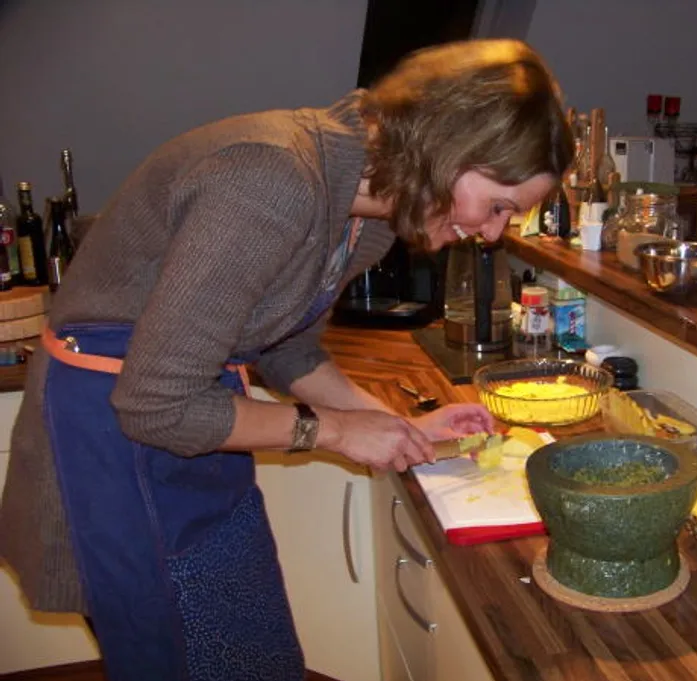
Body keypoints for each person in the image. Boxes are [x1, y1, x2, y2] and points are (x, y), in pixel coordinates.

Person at [0, 38, 573, 680]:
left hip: (193, 427)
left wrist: (392, 425)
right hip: (114, 446)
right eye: (498, 206)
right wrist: (332, 431)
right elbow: (155, 404)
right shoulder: (272, 181)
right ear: (449, 153)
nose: (494, 232)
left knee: (251, 657)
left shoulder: (371, 208)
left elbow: (284, 343)